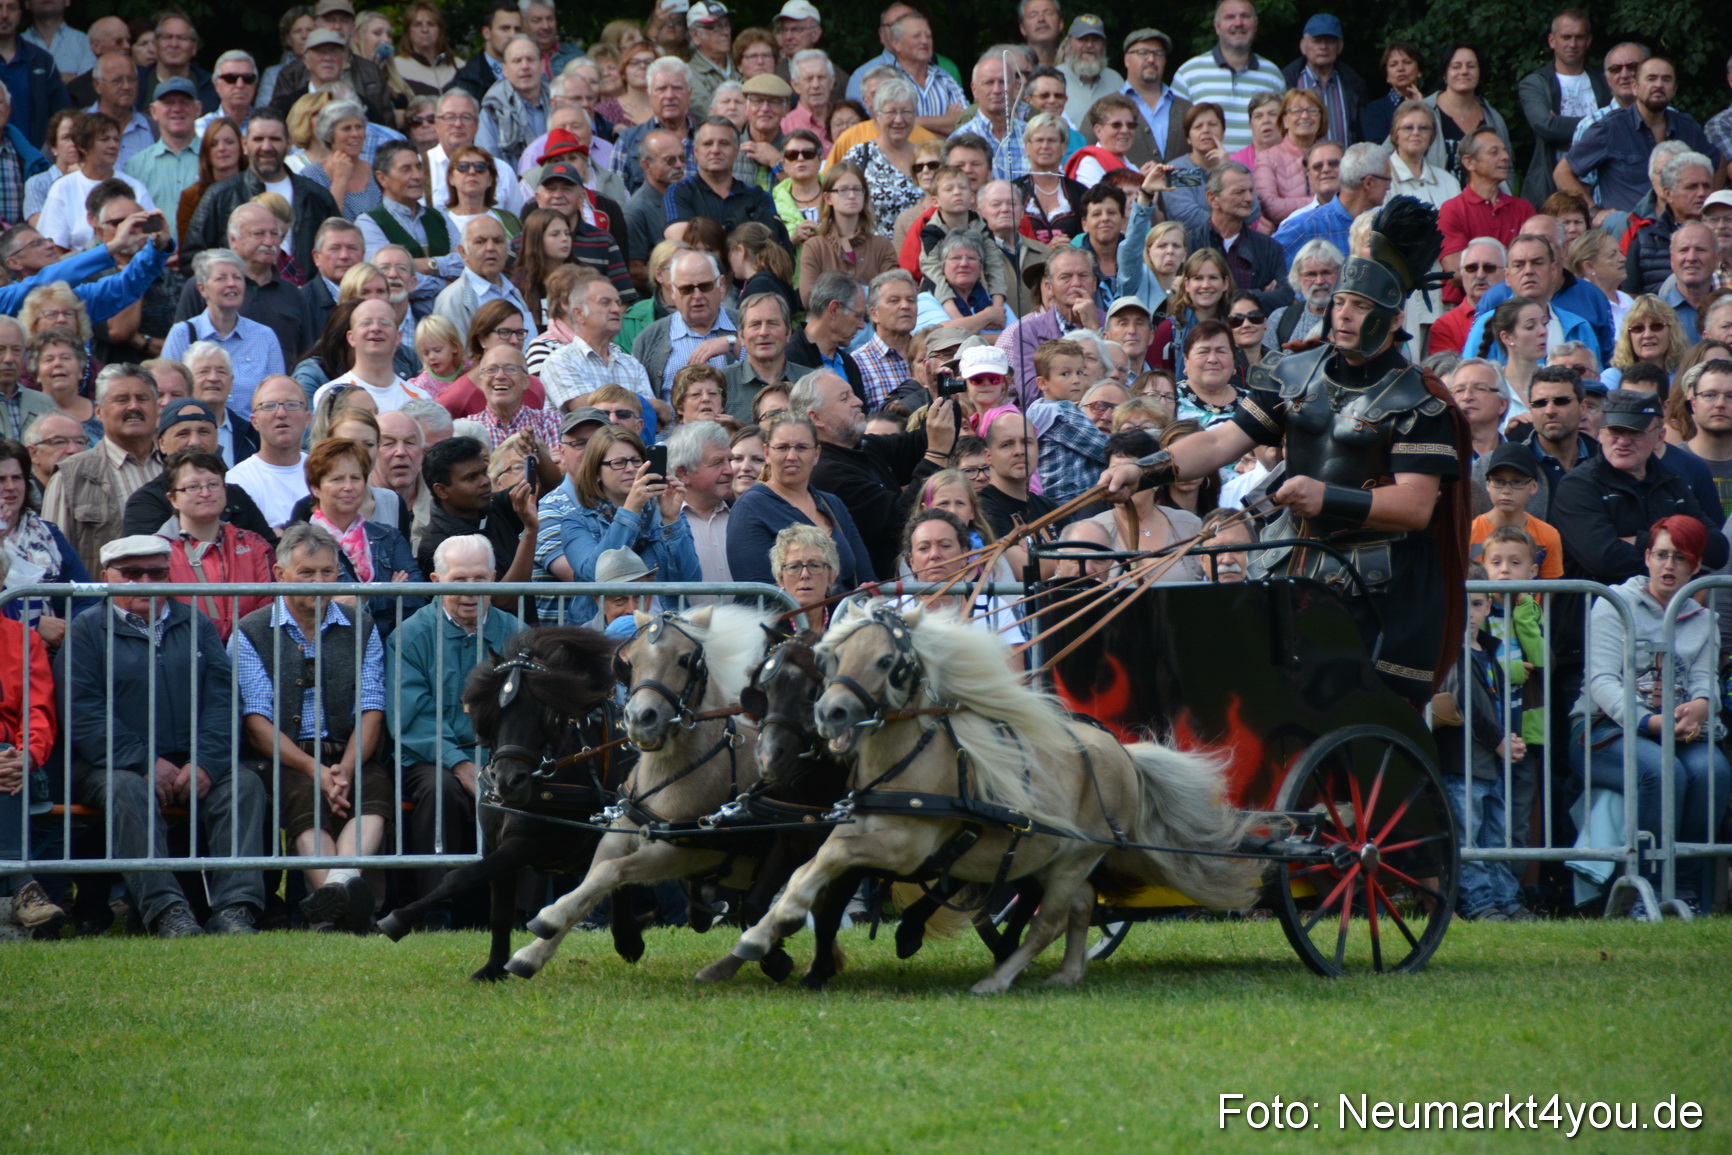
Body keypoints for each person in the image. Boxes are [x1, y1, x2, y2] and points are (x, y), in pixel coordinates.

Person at [1102, 196, 1470, 701]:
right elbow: (1221, 441)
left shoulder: (1419, 400)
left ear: (1390, 316)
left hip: (1381, 590)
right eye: (1340, 300)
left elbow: (1415, 506)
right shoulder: (1294, 371)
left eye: (1360, 307)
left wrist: (1327, 497)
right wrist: (1145, 471)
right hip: (1293, 568)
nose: (1343, 314)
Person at [56, 534, 265, 937]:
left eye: (156, 572)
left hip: (191, 758)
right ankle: (167, 911)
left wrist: (205, 762)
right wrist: (143, 760)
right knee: (127, 789)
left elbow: (223, 701)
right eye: (132, 574)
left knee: (244, 784)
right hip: (110, 765)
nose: (146, 582)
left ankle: (236, 909)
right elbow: (83, 713)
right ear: (106, 577)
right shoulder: (85, 631)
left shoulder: (196, 623)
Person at [1572, 515, 1732, 913]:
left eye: (1680, 558)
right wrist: (1650, 722)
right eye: (1661, 555)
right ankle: (1650, 892)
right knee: (1662, 772)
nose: (1669, 565)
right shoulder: (1614, 604)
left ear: (1695, 567)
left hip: (1678, 729)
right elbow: (1601, 682)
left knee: (1713, 770)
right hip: (1602, 729)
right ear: (1646, 557)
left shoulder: (1703, 620)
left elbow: (1705, 682)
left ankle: (1690, 893)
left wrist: (1700, 707)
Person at [387, 531, 523, 922]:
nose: (470, 591)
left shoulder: (516, 633)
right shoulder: (410, 636)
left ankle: (517, 910)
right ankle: (434, 910)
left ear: (495, 579)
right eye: (458, 580)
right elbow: (412, 717)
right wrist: (460, 765)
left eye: (480, 579)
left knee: (525, 785)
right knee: (441, 790)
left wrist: (501, 761)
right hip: (429, 758)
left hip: (500, 753)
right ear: (436, 583)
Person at [1431, 562, 1531, 922]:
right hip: (1462, 763)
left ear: (1489, 606)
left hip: (1491, 764)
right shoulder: (1451, 652)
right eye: (1462, 604)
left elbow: (1500, 703)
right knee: (1468, 839)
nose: (1470, 614)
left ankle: (1508, 901)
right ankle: (1478, 904)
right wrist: (1500, 740)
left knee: (1496, 838)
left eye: (1476, 605)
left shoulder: (1491, 651)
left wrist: (1511, 740)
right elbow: (1464, 701)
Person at [1553, 390, 1728, 587]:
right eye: (1615, 431)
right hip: (1598, 614)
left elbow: (1716, 549)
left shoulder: (1672, 484)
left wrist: (1640, 541)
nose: (1623, 441)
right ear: (1600, 434)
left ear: (1660, 437)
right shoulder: (1578, 485)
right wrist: (1681, 549)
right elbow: (1606, 560)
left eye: (1635, 432)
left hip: (1666, 613)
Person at [796, 366, 950, 580]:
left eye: (853, 393)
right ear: (816, 418)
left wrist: (940, 396)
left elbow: (920, 442)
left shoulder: (864, 446)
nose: (858, 401)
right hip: (873, 597)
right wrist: (936, 454)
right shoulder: (826, 473)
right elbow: (898, 519)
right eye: (844, 398)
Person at [531, 424, 696, 622]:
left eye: (637, 461)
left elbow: (691, 578)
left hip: (665, 629)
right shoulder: (576, 522)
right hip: (603, 634)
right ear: (597, 472)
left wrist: (671, 521)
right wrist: (631, 511)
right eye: (619, 463)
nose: (631, 469)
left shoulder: (665, 513)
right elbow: (595, 575)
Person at [185, 108, 342, 279]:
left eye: (274, 139)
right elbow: (193, 259)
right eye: (258, 139)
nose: (266, 147)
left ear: (289, 144)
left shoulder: (316, 196)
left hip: (304, 301)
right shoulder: (220, 196)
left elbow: (338, 251)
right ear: (245, 145)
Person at [1557, 56, 1722, 216]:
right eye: (1651, 79)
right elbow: (1562, 173)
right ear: (1635, 87)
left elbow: (1719, 162)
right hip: (1627, 232)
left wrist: (1708, 208)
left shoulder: (1687, 128)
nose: (1659, 85)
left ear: (1674, 89)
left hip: (1680, 230)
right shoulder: (1610, 128)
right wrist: (1594, 211)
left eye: (1666, 79)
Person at [726, 410, 871, 588]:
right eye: (782, 447)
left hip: (846, 615)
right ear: (767, 453)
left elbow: (866, 579)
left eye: (801, 447)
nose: (792, 456)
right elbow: (760, 593)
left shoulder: (833, 504)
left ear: (817, 454)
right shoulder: (750, 507)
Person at [40, 362, 160, 573]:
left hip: (177, 602)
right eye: (121, 399)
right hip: (102, 603)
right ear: (99, 411)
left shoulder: (178, 468)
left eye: (142, 398)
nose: (133, 406)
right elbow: (53, 559)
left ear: (157, 408)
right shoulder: (70, 476)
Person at [298, 436, 426, 625]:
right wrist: (388, 590)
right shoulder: (300, 544)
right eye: (337, 479)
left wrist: (363, 598)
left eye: (356, 478)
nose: (348, 487)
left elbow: (415, 597)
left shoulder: (388, 536)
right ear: (316, 488)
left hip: (385, 647)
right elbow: (307, 606)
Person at [1170, 0, 1284, 154]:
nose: (1238, 23)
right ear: (1217, 26)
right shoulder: (1188, 74)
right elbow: (1176, 137)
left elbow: (1284, 131)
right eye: (1230, 17)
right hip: (1206, 175)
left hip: (1260, 173)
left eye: (1245, 16)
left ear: (1256, 24)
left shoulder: (1273, 75)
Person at [798, 161, 897, 304]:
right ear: (828, 198)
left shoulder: (882, 245)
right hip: (830, 324)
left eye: (857, 189)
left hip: (872, 324)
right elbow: (808, 298)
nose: (851, 195)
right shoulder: (814, 246)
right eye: (843, 190)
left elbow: (893, 294)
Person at [1422, 43, 1512, 190]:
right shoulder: (1423, 111)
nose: (1464, 71)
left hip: (1484, 206)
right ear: (1444, 74)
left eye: (1471, 66)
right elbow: (1391, 154)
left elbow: (1508, 166)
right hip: (1437, 204)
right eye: (1456, 66)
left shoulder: (1493, 118)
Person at [1471, 441, 1565, 580]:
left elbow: (1548, 592)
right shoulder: (1469, 532)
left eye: (1517, 482)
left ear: (1533, 486)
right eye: (1498, 481)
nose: (1506, 490)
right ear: (1488, 485)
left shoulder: (1549, 536)